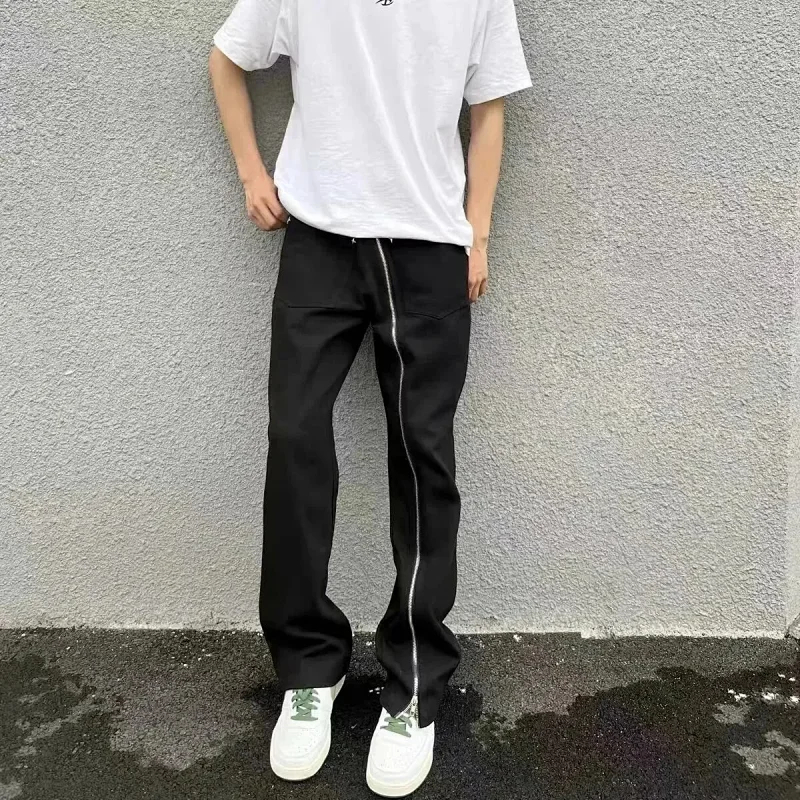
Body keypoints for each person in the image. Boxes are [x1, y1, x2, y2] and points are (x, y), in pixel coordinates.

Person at [208, 0, 531, 795]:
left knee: (423, 457)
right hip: (319, 239)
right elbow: (227, 58)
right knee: (295, 438)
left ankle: (413, 684)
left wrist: (478, 231)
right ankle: (308, 669)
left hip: (429, 246)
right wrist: (252, 174)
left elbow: (488, 109)